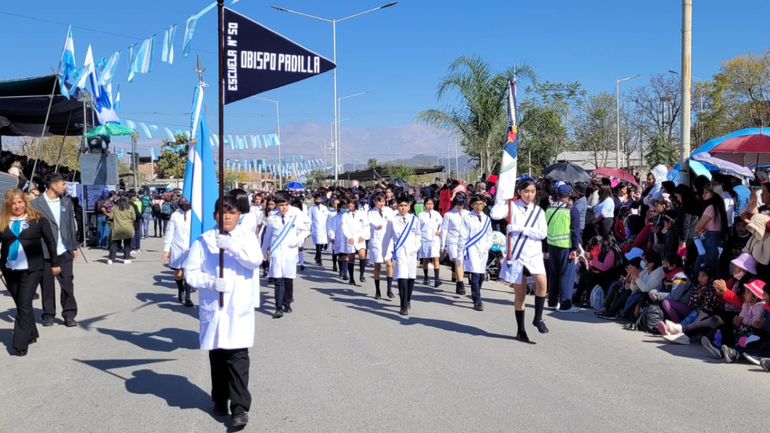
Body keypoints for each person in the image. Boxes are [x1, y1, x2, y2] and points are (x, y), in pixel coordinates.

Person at [184, 196, 262, 428]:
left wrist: (232, 247)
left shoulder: (247, 237)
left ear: (239, 215)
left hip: (238, 307)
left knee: (238, 357)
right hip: (215, 305)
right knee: (217, 355)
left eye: (232, 212)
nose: (227, 217)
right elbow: (191, 273)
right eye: (222, 212)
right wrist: (210, 282)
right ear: (214, 215)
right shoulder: (203, 240)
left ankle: (240, 408)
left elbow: (255, 261)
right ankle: (219, 398)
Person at [0, 189, 60, 356]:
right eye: (13, 203)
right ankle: (32, 332)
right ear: (8, 205)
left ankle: (20, 343)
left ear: (25, 202)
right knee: (21, 304)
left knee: (24, 304)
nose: (17, 206)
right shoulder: (2, 221)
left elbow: (50, 241)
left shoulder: (38, 219)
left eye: (20, 202)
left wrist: (55, 263)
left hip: (32, 269)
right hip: (10, 269)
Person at [497, 178, 549, 342]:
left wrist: (521, 229)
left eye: (532, 191)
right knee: (520, 295)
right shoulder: (511, 206)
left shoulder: (538, 211)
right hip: (516, 255)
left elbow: (542, 233)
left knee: (542, 283)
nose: (529, 195)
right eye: (526, 191)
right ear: (519, 192)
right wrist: (501, 198)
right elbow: (495, 214)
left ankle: (538, 318)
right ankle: (521, 330)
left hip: (533, 253)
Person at [32, 174, 79, 328]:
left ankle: (69, 314)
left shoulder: (66, 202)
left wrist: (74, 246)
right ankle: (48, 314)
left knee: (67, 284)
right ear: (53, 186)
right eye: (63, 184)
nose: (65, 187)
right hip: (44, 250)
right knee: (47, 285)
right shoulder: (36, 204)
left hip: (64, 249)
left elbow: (70, 225)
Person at [262, 193, 309, 318]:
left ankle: (287, 303)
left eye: (286, 205)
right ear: (276, 206)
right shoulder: (272, 218)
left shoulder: (294, 217)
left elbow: (305, 230)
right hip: (276, 251)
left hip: (290, 251)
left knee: (288, 279)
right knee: (278, 280)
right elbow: (267, 235)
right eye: (281, 205)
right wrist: (263, 250)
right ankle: (278, 308)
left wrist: (296, 240)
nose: (284, 207)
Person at [382, 194, 421, 315]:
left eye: (405, 205)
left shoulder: (414, 219)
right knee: (401, 276)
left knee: (411, 277)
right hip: (399, 252)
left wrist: (416, 247)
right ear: (396, 207)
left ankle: (408, 299)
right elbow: (387, 237)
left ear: (409, 207)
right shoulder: (392, 220)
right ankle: (403, 305)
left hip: (412, 252)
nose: (403, 208)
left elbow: (418, 235)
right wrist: (385, 254)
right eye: (400, 205)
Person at [546, 184, 582, 313]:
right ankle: (565, 305)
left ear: (557, 194)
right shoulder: (572, 209)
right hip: (565, 246)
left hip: (551, 244)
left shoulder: (549, 207)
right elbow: (575, 231)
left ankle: (552, 302)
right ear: (570, 195)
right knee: (567, 275)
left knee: (554, 275)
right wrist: (575, 248)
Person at [457, 195, 493, 312]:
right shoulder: (467, 218)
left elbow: (489, 234)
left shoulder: (486, 219)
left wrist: (487, 245)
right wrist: (460, 252)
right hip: (471, 249)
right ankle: (477, 300)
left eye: (481, 204)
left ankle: (476, 293)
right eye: (476, 204)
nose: (478, 207)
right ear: (471, 205)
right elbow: (463, 236)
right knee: (475, 274)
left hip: (483, 250)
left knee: (481, 275)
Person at [694, 181, 728, 278]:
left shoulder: (711, 208)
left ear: (714, 194)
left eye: (706, 192)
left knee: (707, 271)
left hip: (709, 240)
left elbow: (697, 227)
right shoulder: (719, 208)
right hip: (714, 239)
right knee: (709, 269)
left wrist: (700, 229)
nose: (703, 195)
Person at [162, 197, 193, 307]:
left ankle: (188, 297)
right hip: (177, 247)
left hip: (190, 248)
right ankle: (181, 288)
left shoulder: (195, 215)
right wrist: (166, 250)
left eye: (186, 201)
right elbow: (169, 232)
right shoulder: (175, 215)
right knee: (179, 274)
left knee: (188, 273)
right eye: (182, 202)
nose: (184, 204)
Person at [441, 193, 469, 295]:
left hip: (465, 242)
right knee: (458, 261)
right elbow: (444, 230)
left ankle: (458, 281)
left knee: (462, 262)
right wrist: (442, 245)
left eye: (461, 204)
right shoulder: (448, 215)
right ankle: (461, 283)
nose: (459, 206)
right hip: (453, 241)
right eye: (457, 204)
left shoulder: (468, 214)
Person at [368, 193, 395, 299]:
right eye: (379, 201)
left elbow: (394, 222)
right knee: (377, 266)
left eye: (383, 201)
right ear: (375, 201)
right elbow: (370, 223)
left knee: (389, 264)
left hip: (387, 241)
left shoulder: (389, 211)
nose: (382, 203)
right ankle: (378, 290)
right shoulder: (371, 213)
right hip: (377, 241)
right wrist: (376, 225)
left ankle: (389, 289)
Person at [417, 197, 443, 287]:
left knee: (436, 258)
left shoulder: (436, 214)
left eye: (431, 204)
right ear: (424, 205)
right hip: (424, 239)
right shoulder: (421, 215)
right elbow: (418, 228)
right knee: (426, 259)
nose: (429, 206)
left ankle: (437, 279)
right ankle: (426, 277)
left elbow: (442, 225)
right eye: (428, 204)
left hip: (434, 239)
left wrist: (439, 231)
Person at [342, 200, 367, 286]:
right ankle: (351, 278)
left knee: (362, 255)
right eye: (349, 203)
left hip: (360, 238)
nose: (350, 205)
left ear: (355, 205)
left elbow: (366, 226)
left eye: (352, 203)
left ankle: (362, 275)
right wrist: (349, 237)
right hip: (350, 239)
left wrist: (363, 236)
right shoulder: (345, 215)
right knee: (351, 259)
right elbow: (344, 227)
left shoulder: (362, 214)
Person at [107, 195, 137, 265]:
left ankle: (111, 259)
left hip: (117, 228)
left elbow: (111, 217)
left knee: (115, 244)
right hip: (128, 228)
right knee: (127, 243)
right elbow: (134, 218)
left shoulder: (115, 208)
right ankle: (126, 258)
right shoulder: (130, 207)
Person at [309, 194, 331, 266]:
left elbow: (328, 217)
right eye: (316, 200)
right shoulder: (311, 209)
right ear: (314, 200)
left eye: (319, 199)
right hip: (316, 228)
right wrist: (309, 229)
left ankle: (317, 256)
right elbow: (309, 219)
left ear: (321, 200)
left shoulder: (324, 208)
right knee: (318, 244)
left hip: (323, 228)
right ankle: (319, 259)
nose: (318, 201)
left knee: (321, 244)